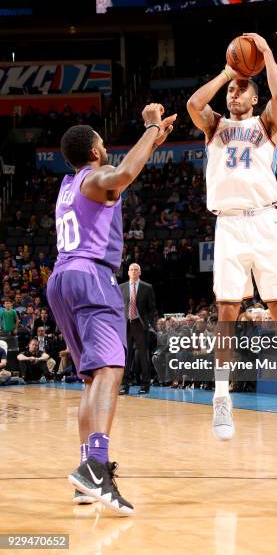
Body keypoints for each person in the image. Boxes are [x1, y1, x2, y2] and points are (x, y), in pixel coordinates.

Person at [46, 104, 176, 514]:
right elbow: (122, 175)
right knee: (110, 371)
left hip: (62, 278)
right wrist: (151, 126)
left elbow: (118, 179)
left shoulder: (69, 184)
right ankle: (97, 468)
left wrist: (152, 141)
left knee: (90, 378)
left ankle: (87, 469)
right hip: (92, 276)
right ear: (97, 150)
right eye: (104, 145)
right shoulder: (95, 178)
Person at [187, 32, 277, 440]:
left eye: (241, 90)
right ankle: (222, 399)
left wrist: (268, 53)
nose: (234, 95)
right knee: (226, 312)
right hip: (229, 225)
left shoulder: (267, 122)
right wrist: (227, 71)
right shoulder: (214, 125)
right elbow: (193, 104)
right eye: (232, 91)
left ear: (253, 99)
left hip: (264, 221)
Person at [119, 263, 156, 395]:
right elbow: (118, 308)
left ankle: (145, 384)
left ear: (140, 273)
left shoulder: (147, 287)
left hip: (140, 325)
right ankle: (124, 384)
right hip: (126, 325)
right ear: (128, 272)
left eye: (136, 270)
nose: (134, 272)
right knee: (126, 356)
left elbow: (152, 309)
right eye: (132, 269)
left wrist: (149, 324)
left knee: (143, 355)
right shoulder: (121, 287)